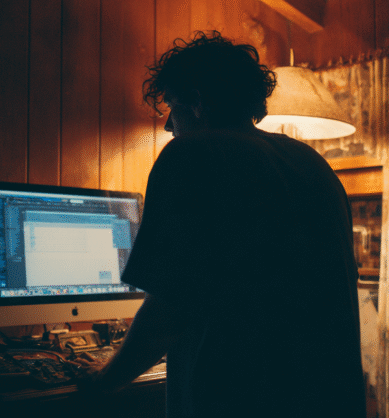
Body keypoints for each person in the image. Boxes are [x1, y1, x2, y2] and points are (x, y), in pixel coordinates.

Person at [80, 31, 366, 417]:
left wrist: (103, 380)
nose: (167, 125)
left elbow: (169, 307)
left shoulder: (192, 153)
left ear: (196, 102)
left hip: (240, 399)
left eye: (171, 107)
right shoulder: (311, 163)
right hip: (328, 396)